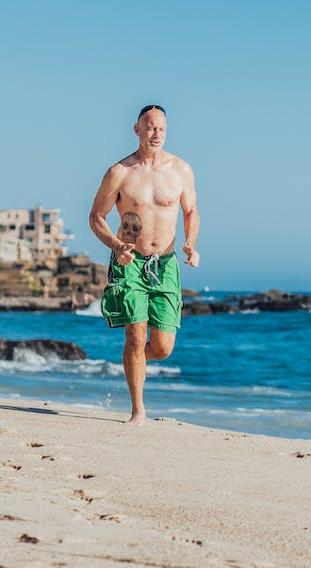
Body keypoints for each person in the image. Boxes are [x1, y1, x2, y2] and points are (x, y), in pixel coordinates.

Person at [89, 104, 200, 424]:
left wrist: (190, 243)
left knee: (163, 348)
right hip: (130, 262)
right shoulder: (120, 172)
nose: (156, 134)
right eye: (150, 127)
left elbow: (191, 211)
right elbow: (96, 216)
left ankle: (133, 361)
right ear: (137, 129)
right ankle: (138, 409)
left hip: (165, 263)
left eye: (162, 128)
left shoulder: (181, 170)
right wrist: (115, 244)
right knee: (135, 336)